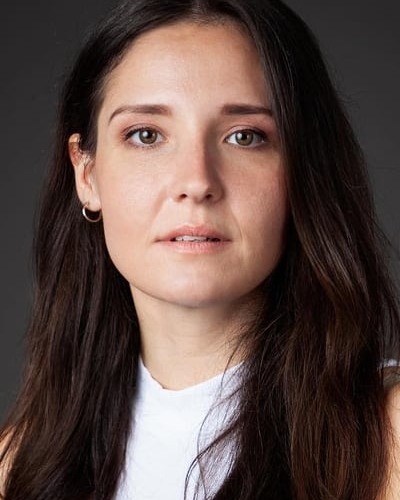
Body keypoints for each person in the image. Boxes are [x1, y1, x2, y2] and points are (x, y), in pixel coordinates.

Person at [0, 0, 399, 498]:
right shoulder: (17, 465)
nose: (196, 181)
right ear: (87, 173)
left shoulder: (387, 439)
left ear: (303, 169)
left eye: (245, 136)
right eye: (146, 135)